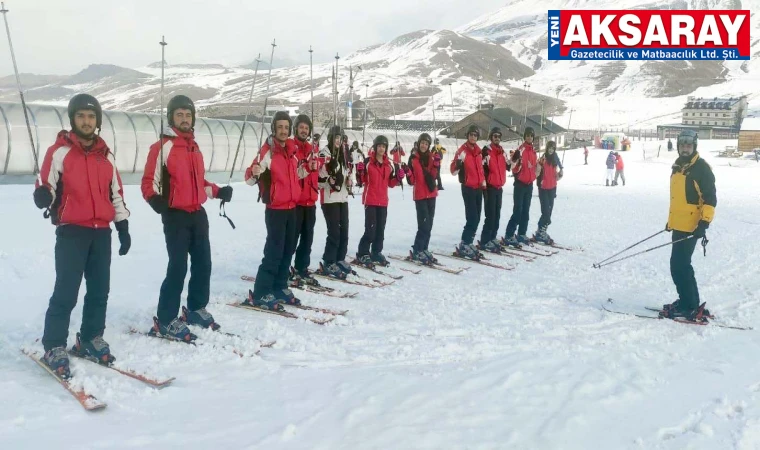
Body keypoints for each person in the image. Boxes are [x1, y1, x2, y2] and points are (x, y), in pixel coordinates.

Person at [33, 94, 131, 377]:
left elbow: (116, 194)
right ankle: (54, 345)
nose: (86, 121)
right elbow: (47, 184)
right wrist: (43, 195)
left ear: (97, 121)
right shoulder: (60, 151)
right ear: (73, 119)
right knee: (66, 290)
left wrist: (122, 226)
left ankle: (90, 337)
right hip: (72, 231)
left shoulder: (106, 155)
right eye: (81, 116)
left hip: (102, 232)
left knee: (100, 290)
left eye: (91, 116)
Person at [141, 95, 232, 342]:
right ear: (171, 117)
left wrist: (218, 191)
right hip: (175, 215)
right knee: (178, 266)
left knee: (203, 263)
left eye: (188, 115)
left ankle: (195, 308)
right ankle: (166, 319)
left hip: (197, 214)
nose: (184, 119)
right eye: (179, 114)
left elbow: (198, 183)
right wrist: (155, 200)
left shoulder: (194, 146)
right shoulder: (162, 146)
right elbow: (149, 182)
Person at [243, 111, 308, 310]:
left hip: (292, 207)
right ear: (274, 128)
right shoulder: (267, 151)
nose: (283, 130)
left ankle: (280, 286)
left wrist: (308, 169)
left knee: (289, 248)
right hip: (275, 209)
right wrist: (253, 172)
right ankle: (262, 291)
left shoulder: (292, 151)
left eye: (286, 127)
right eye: (279, 127)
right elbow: (249, 178)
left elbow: (295, 176)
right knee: (274, 250)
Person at [661, 130, 716, 321]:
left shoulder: (701, 168)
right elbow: (678, 199)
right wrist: (671, 221)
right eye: (682, 145)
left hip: (692, 227)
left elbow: (710, 199)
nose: (685, 148)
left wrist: (704, 223)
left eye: (689, 145)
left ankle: (689, 305)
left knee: (680, 265)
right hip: (679, 224)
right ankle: (688, 301)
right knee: (680, 265)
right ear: (678, 146)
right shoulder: (678, 166)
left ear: (694, 146)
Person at [355, 135, 402, 268]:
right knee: (370, 230)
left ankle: (376, 252)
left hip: (383, 201)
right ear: (375, 147)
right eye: (379, 146)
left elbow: (391, 183)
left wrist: (398, 178)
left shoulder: (389, 165)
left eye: (384, 146)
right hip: (370, 200)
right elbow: (361, 180)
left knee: (380, 230)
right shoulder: (368, 162)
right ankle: (363, 252)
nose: (381, 149)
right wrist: (359, 172)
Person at [289, 114, 322, 287]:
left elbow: (317, 172)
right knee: (291, 239)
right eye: (301, 127)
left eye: (306, 128)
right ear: (296, 129)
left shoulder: (312, 149)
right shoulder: (291, 148)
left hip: (311, 200)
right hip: (296, 202)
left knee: (307, 239)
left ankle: (302, 268)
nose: (304, 130)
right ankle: (285, 269)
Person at [318, 126, 353, 279]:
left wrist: (349, 181)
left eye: (340, 138)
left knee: (344, 229)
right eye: (336, 138)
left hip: (343, 197)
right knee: (334, 231)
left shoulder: (344, 156)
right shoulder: (324, 153)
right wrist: (328, 172)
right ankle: (329, 260)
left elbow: (347, 173)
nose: (338, 141)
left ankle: (339, 258)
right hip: (330, 198)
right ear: (331, 138)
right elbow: (318, 177)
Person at [450, 124, 486, 259]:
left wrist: (483, 183)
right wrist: (457, 165)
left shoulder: (478, 151)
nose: (473, 137)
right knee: (472, 217)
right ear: (467, 136)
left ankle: (469, 241)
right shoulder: (462, 151)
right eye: (471, 134)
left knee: (477, 217)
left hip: (478, 188)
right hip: (468, 187)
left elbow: (480, 170)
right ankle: (464, 243)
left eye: (475, 135)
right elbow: (453, 171)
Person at [406, 133, 440, 265]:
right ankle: (417, 249)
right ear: (418, 144)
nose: (424, 145)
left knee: (429, 223)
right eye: (422, 143)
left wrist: (436, 165)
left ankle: (424, 248)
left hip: (431, 194)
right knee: (423, 224)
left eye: (426, 143)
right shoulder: (413, 159)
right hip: (420, 195)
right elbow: (412, 180)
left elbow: (433, 176)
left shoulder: (432, 157)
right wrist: (408, 172)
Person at [501, 127, 538, 247]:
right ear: (524, 137)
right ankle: (509, 235)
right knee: (518, 210)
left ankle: (521, 233)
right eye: (527, 135)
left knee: (526, 211)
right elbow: (513, 166)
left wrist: (535, 174)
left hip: (529, 184)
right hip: (520, 184)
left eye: (531, 136)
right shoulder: (521, 150)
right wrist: (515, 161)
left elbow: (533, 167)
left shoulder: (533, 151)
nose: (529, 137)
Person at [479, 127, 507, 253]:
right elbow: (481, 167)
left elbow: (509, 165)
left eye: (498, 136)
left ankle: (492, 237)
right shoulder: (487, 151)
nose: (497, 138)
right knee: (490, 215)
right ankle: (485, 240)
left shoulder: (501, 152)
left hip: (499, 187)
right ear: (491, 137)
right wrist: (484, 185)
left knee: (497, 214)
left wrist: (515, 159)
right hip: (490, 187)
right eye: (494, 136)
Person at [534, 141, 563, 244]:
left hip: (552, 188)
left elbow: (554, 176)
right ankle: (540, 231)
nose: (551, 150)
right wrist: (538, 166)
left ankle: (542, 231)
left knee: (549, 212)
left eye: (553, 148)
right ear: (547, 148)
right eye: (549, 148)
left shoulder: (554, 160)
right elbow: (537, 173)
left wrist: (560, 175)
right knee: (545, 211)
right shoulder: (543, 159)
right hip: (543, 188)